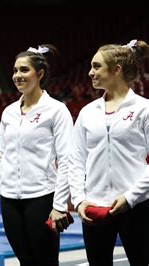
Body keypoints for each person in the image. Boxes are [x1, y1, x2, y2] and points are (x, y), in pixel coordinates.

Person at [0, 45, 74, 265]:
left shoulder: (56, 110)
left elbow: (67, 160)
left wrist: (60, 206)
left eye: (24, 70)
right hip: (10, 201)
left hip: (42, 197)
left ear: (40, 74)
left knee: (45, 261)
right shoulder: (9, 112)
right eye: (15, 71)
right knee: (24, 260)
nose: (17, 76)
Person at [68, 39, 149, 265]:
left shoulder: (144, 109)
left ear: (116, 70)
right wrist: (80, 201)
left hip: (136, 206)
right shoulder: (87, 112)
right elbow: (75, 160)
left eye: (96, 66)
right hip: (93, 207)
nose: (90, 72)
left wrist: (130, 197)